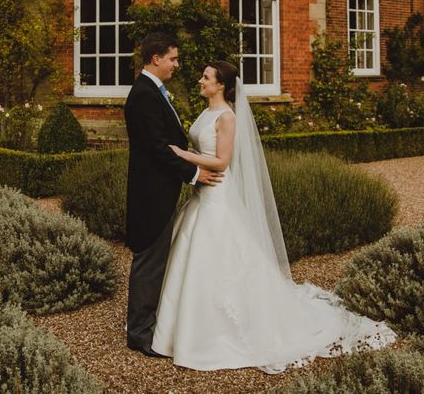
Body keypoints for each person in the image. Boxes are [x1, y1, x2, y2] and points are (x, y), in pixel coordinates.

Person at [151, 61, 396, 372]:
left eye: (206, 77)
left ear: (222, 86)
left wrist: (182, 155)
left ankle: (213, 335)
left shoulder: (227, 116)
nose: (200, 80)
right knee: (195, 256)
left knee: (217, 257)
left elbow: (223, 162)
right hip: (202, 195)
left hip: (217, 195)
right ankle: (182, 327)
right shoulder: (206, 112)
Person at [124, 32, 223, 357]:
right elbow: (156, 149)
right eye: (173, 58)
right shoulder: (143, 95)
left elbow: (170, 143)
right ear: (156, 59)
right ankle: (139, 334)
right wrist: (195, 174)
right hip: (150, 193)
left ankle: (146, 325)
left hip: (160, 190)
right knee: (149, 260)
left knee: (154, 260)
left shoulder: (153, 92)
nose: (177, 65)